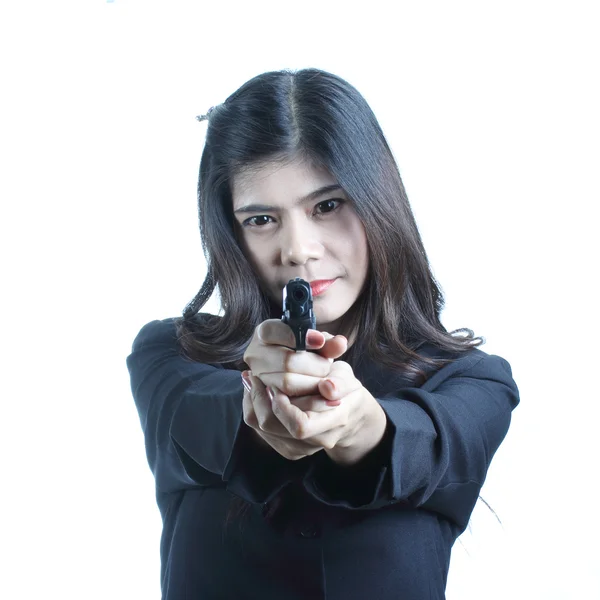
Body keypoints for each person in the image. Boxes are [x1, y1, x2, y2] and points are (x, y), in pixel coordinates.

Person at [126, 68, 520, 600]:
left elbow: (429, 443)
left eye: (327, 206)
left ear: (377, 202)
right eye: (262, 219)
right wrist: (267, 398)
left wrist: (357, 423)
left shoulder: (473, 383)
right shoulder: (172, 355)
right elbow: (195, 417)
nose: (299, 249)